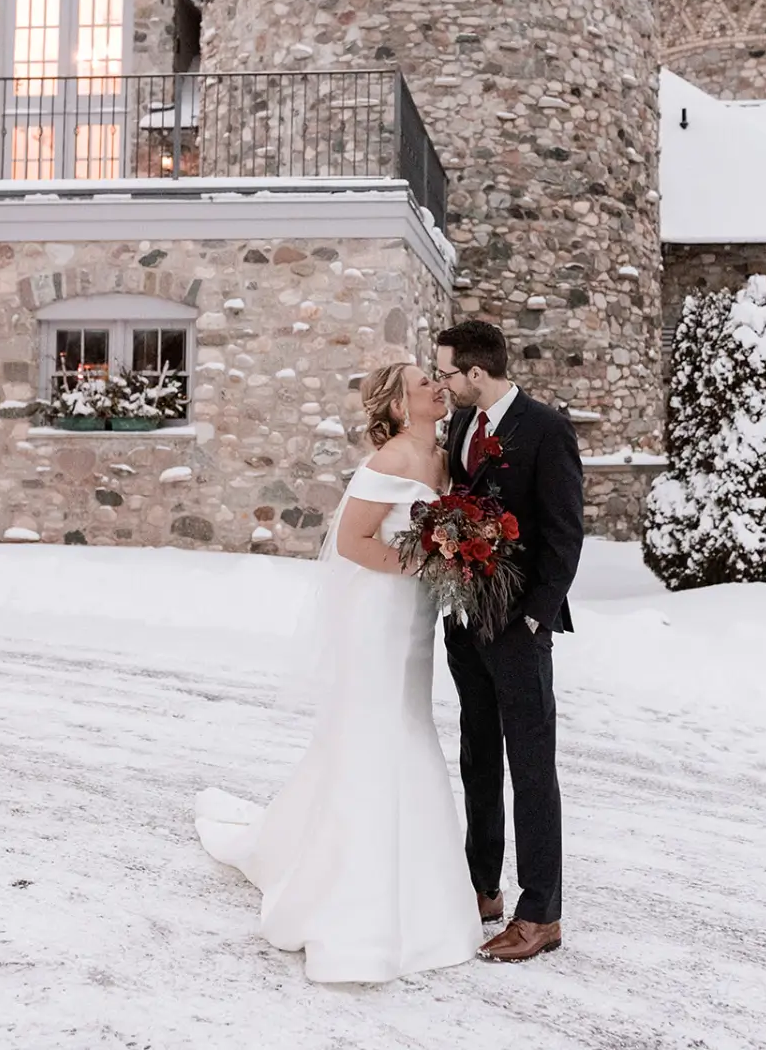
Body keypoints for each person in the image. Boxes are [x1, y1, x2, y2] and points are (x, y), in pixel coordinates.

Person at [194, 362, 483, 984]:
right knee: (376, 731)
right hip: (381, 613)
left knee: (406, 721)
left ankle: (413, 882)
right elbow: (353, 541)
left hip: (416, 618)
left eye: (437, 377)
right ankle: (352, 897)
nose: (438, 386)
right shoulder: (392, 461)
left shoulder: (440, 455)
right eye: (423, 383)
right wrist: (422, 568)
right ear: (402, 406)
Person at [435, 320, 583, 964]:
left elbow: (564, 533)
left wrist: (534, 618)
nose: (441, 381)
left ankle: (541, 913)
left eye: (446, 371)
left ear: (475, 372)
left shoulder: (546, 428)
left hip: (519, 627)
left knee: (530, 767)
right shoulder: (463, 426)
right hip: (465, 622)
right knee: (477, 757)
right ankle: (482, 887)